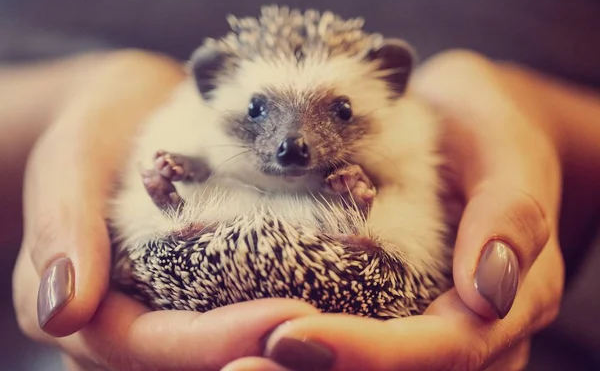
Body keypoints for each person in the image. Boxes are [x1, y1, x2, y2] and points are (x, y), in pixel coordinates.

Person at [2, 45, 599, 371]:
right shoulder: (193, 127)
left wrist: (542, 130)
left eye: (337, 111)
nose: (294, 141)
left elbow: (419, 192)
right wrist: (68, 107)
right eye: (260, 110)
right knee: (162, 214)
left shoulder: (412, 134)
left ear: (388, 92)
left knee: (402, 225)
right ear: (213, 90)